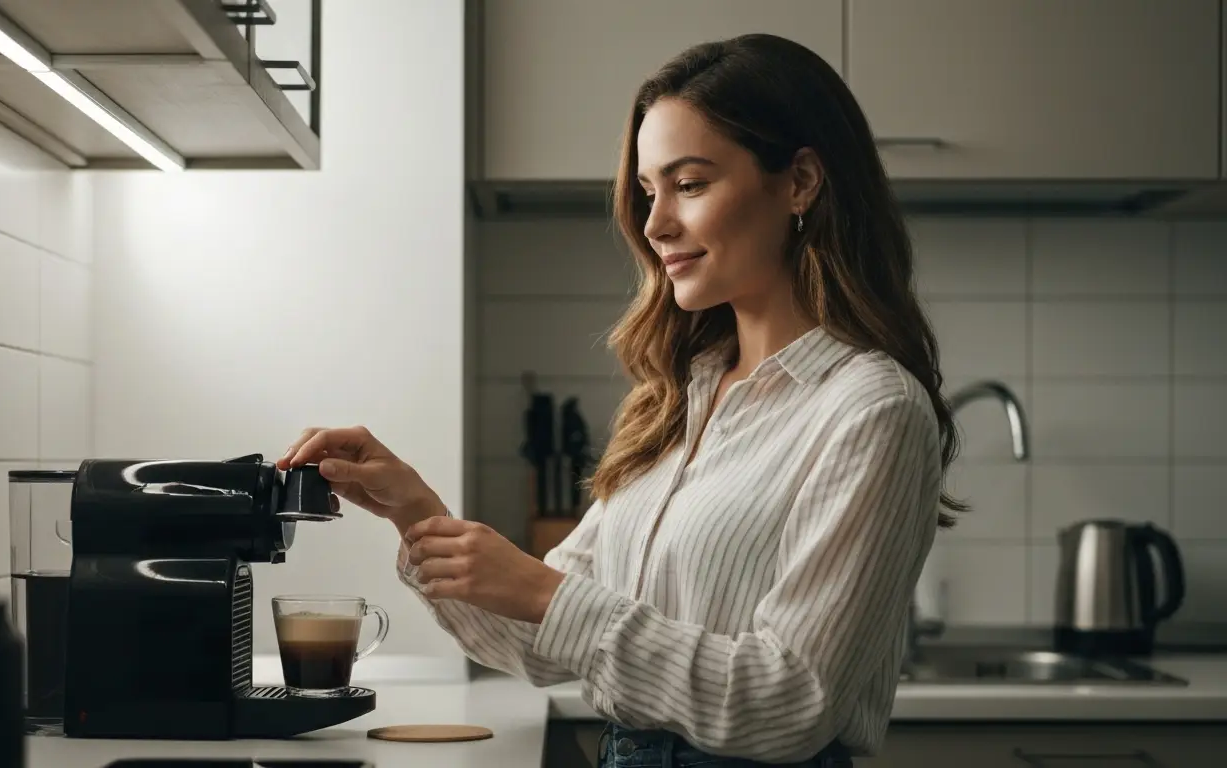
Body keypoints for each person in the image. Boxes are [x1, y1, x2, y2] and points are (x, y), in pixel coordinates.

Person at [279, 33, 963, 768]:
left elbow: (788, 703)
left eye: (690, 184)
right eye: (647, 192)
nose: (655, 222)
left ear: (799, 181)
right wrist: (416, 512)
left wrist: (546, 593)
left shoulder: (870, 410)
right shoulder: (679, 400)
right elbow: (539, 644)